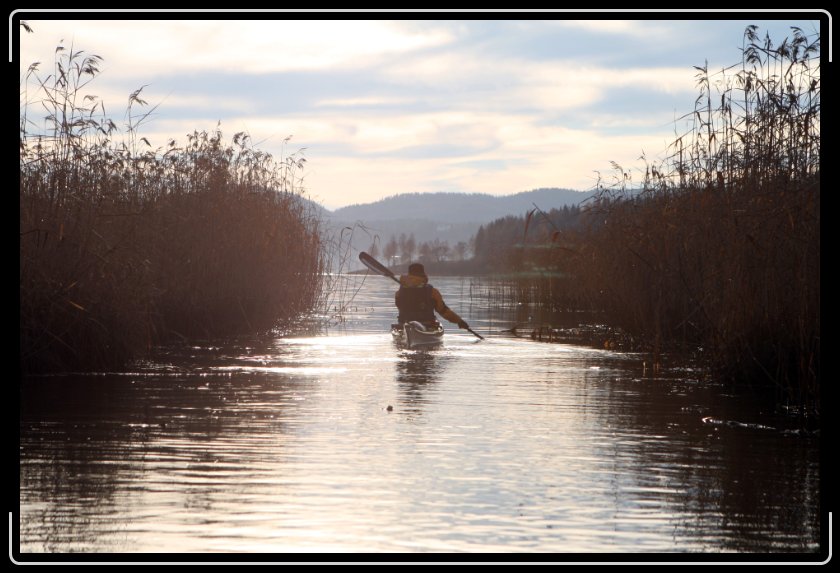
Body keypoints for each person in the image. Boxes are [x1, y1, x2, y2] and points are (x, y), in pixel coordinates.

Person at [395, 263, 470, 330]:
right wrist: (459, 321)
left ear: (409, 274)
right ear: (423, 273)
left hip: (404, 324)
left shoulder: (400, 292)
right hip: (427, 325)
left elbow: (398, 305)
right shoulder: (433, 292)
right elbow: (443, 310)